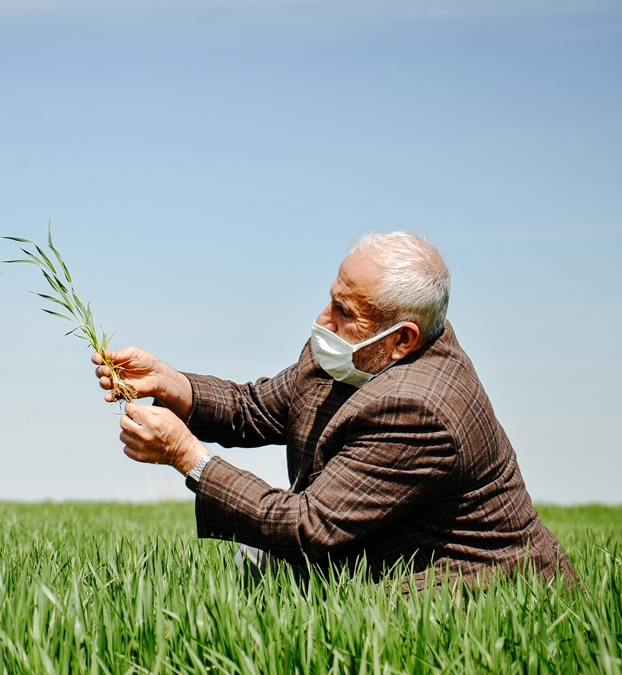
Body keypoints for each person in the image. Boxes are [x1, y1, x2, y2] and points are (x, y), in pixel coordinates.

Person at [93, 232, 576, 589]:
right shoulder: (351, 349)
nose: (323, 320)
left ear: (402, 338)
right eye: (331, 299)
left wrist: (187, 457)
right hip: (372, 558)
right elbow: (254, 408)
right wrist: (171, 383)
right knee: (259, 565)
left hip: (471, 598)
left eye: (344, 310)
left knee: (278, 570)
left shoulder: (421, 409)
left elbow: (307, 526)